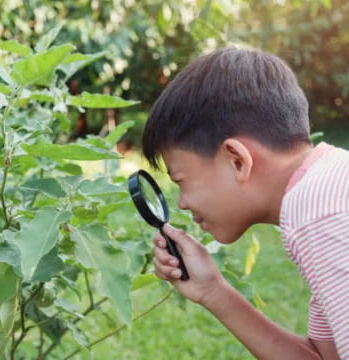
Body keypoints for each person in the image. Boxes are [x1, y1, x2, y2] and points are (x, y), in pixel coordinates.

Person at [143, 47, 348, 360]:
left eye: (181, 181)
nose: (182, 203)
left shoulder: (319, 213)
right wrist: (213, 291)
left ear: (237, 160)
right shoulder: (327, 186)